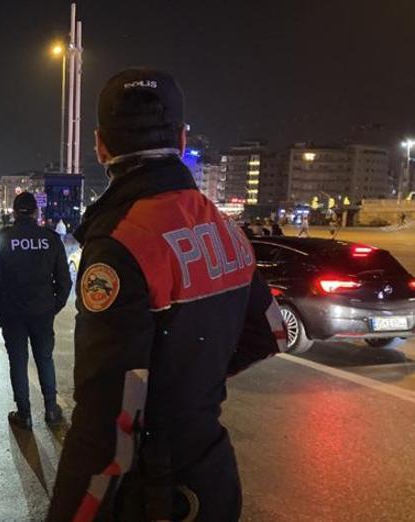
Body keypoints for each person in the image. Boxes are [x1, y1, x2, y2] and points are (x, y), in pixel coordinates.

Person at [47, 68, 286, 521]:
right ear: (181, 138)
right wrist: (194, 383)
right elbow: (271, 332)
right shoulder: (225, 228)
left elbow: (106, 421)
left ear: (100, 145)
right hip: (213, 474)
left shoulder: (122, 243)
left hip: (154, 491)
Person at [0, 192, 72, 430]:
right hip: (42, 311)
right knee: (45, 359)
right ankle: (51, 410)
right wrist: (54, 306)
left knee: (18, 362)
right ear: (36, 212)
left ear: (13, 212)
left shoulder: (3, 239)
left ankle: (24, 414)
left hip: (12, 313)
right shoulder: (50, 239)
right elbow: (64, 280)